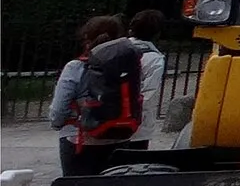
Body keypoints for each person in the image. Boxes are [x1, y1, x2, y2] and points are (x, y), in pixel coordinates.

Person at [48, 14, 140, 175]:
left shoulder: (76, 67)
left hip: (80, 139)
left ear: (87, 38)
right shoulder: (130, 64)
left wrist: (57, 124)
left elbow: (59, 109)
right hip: (121, 136)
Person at [126, 9, 168, 145]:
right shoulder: (154, 59)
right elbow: (148, 95)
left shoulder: (113, 50)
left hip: (103, 120)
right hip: (137, 128)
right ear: (158, 33)